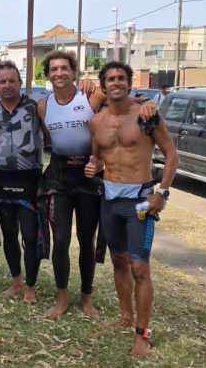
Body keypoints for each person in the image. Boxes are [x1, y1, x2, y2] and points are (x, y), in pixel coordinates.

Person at [36, 50, 155, 319]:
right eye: (54, 69)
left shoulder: (92, 95)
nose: (59, 73)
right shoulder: (43, 106)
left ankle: (86, 298)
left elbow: (124, 100)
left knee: (87, 241)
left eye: (64, 68)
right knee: (62, 239)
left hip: (89, 179)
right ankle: (62, 297)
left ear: (73, 72)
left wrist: (149, 103)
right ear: (48, 75)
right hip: (59, 178)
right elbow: (47, 140)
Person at [85, 61, 178, 356]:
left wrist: (161, 192)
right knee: (118, 261)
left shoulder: (146, 116)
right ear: (104, 85)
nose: (116, 83)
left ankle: (143, 333)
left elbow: (171, 154)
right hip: (109, 200)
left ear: (129, 83)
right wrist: (93, 166)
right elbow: (99, 158)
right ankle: (125, 316)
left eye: (121, 78)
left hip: (139, 200)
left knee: (140, 267)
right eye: (111, 79)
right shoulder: (96, 122)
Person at [0, 61, 44, 304]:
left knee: (31, 236)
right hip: (2, 180)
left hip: (30, 180)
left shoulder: (36, 105)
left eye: (12, 81)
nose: (7, 85)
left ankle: (30, 286)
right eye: (3, 81)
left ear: (20, 83)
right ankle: (16, 282)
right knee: (9, 234)